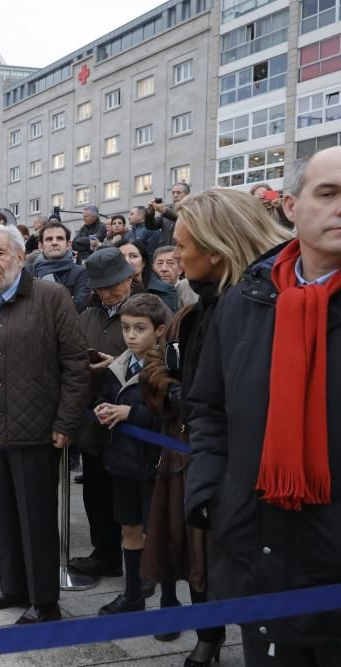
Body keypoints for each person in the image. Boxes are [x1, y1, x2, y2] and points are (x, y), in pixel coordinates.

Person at [184, 159, 340, 665]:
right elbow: (208, 407)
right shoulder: (246, 299)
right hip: (259, 547)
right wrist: (211, 493)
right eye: (329, 192)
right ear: (291, 207)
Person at [138, 186, 293, 667]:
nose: (177, 259)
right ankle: (208, 635)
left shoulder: (272, 305)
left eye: (182, 247)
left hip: (266, 492)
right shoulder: (208, 307)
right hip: (211, 470)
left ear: (216, 244)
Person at [0, 224, 89, 623]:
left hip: (36, 426)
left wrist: (66, 421)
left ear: (21, 256)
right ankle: (13, 586)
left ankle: (45, 601)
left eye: (0, 253)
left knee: (36, 516)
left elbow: (75, 365)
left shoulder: (50, 296)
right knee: (3, 512)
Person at [92, 294, 178, 619]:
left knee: (158, 535)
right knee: (129, 528)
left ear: (158, 330)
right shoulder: (119, 364)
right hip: (123, 462)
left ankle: (169, 603)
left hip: (155, 465)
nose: (130, 335)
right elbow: (104, 395)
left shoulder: (170, 364)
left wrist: (132, 413)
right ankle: (132, 595)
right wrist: (101, 407)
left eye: (139, 328)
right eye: (126, 328)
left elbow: (173, 412)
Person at [70, 248, 136, 584]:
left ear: (129, 278)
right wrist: (88, 363)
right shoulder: (88, 316)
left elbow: (163, 360)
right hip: (95, 417)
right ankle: (105, 553)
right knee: (95, 492)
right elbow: (71, 356)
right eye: (101, 287)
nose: (106, 293)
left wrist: (120, 364)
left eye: (112, 285)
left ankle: (142, 565)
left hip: (133, 421)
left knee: (133, 498)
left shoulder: (148, 309)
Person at [32, 221, 93, 313]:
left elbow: (78, 307)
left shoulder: (81, 273)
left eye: (60, 238)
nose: (54, 243)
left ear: (68, 244)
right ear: (41, 246)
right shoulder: (28, 272)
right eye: (49, 239)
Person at [116, 239, 178, 312]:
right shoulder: (108, 291)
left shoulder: (164, 290)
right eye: (121, 257)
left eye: (133, 256)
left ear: (143, 263)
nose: (127, 261)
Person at [145, 182, 190, 247]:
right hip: (166, 250)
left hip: (183, 249)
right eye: (173, 193)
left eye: (178, 192)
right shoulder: (167, 210)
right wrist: (150, 214)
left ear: (187, 195)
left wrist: (165, 210)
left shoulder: (192, 208)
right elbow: (151, 226)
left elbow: (184, 219)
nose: (175, 195)